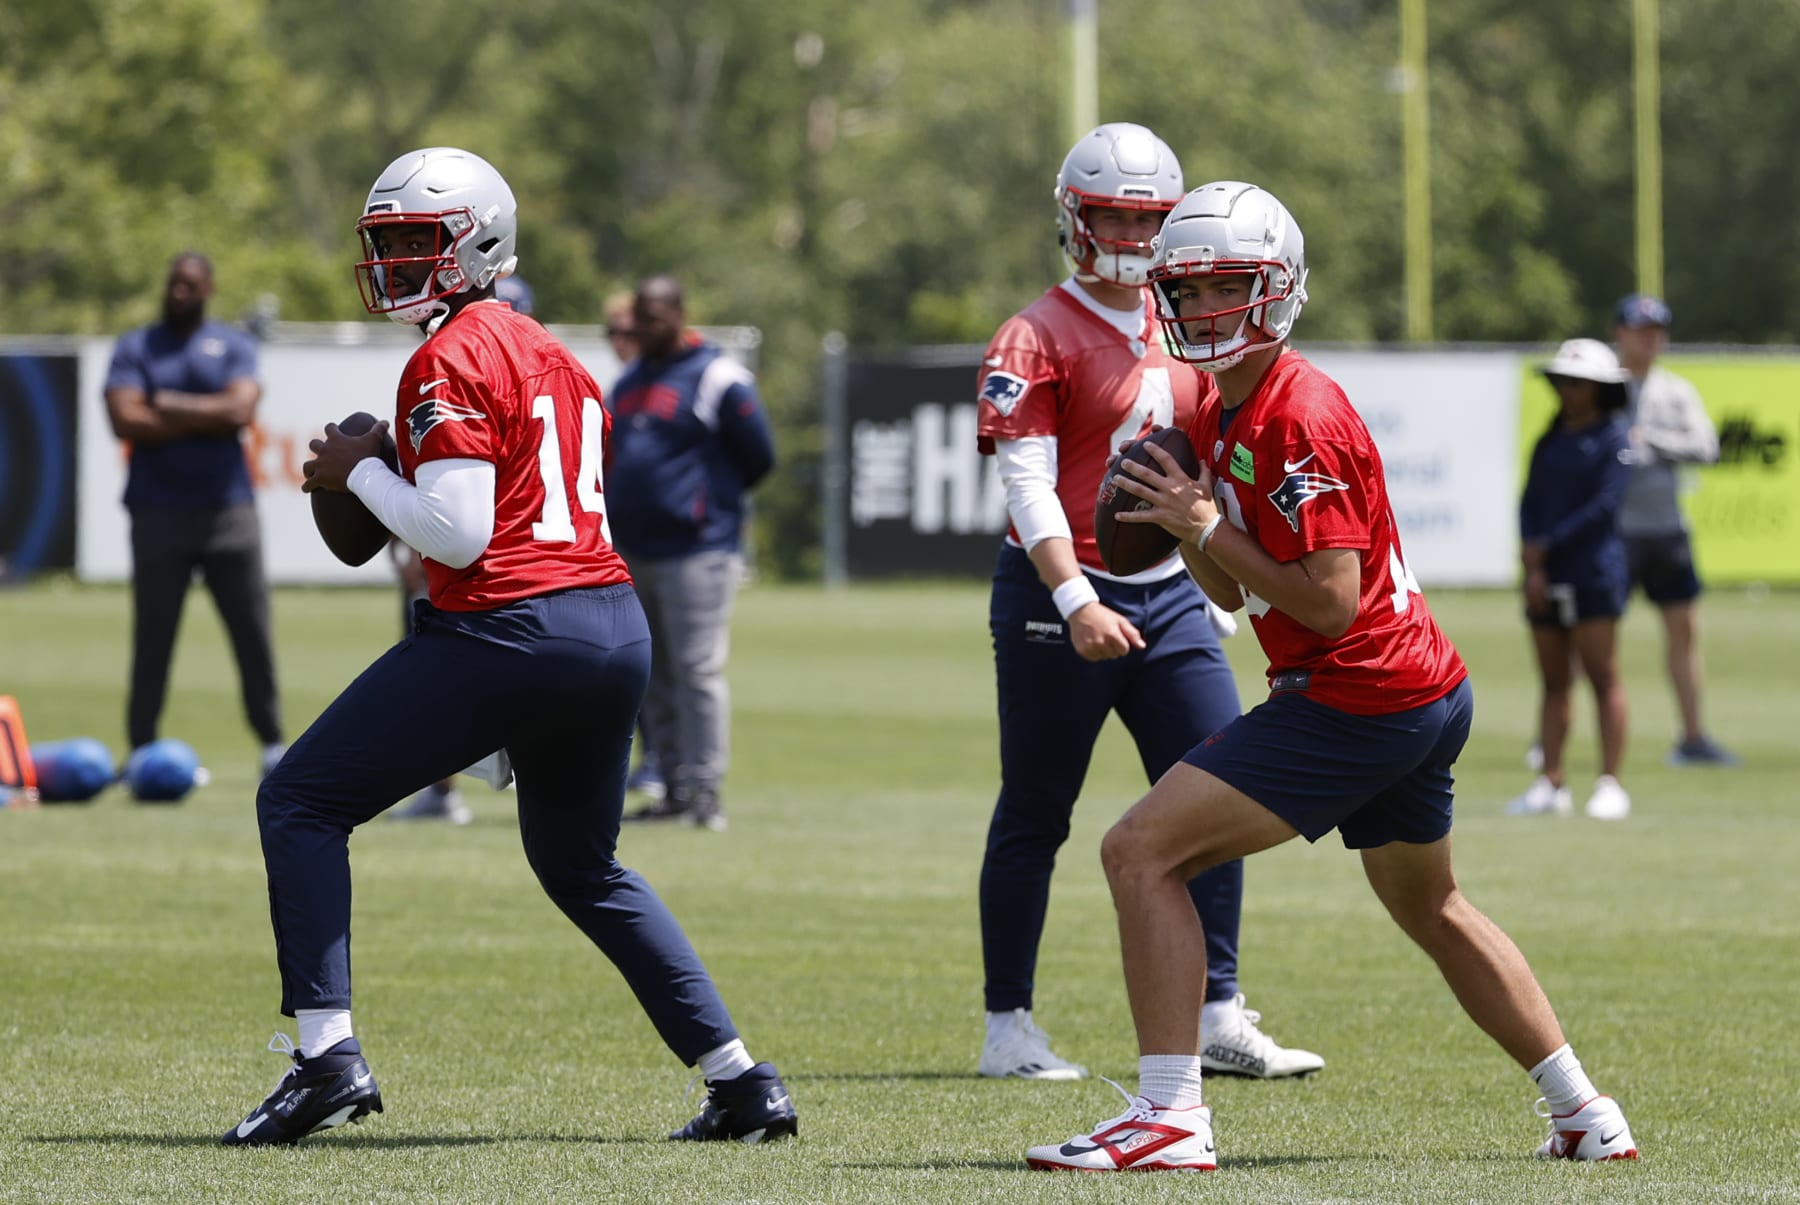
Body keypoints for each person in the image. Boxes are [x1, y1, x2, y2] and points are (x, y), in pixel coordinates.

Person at [1026, 181, 1638, 1171]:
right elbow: (1233, 579)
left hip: (1361, 688)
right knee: (1431, 903)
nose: (1205, 306)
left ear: (1277, 290)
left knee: (1140, 851)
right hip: (1411, 685)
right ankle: (1584, 1109)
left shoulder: (1298, 412)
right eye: (1189, 288)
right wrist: (1192, 529)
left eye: (1229, 284)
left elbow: (1327, 603)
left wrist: (1204, 522)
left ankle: (1169, 1116)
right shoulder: (1224, 406)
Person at [224, 146, 796, 1147]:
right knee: (585, 866)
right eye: (388, 243)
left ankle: (325, 1056)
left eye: (417, 242)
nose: (397, 262)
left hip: (513, 625)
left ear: (476, 244)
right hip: (611, 626)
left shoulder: (447, 355)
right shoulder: (561, 357)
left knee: (300, 798)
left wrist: (358, 470)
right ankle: (742, 1080)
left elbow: (457, 531)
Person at [972, 123, 1320, 1084]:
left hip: (1170, 595)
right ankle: (1008, 1024)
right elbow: (1028, 479)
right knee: (1037, 809)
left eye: (1147, 218)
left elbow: (1209, 468)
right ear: (1072, 221)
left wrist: (1209, 581)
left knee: (1215, 792)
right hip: (1060, 593)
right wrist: (1076, 594)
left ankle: (1219, 1009)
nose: (1129, 235)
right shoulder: (1035, 331)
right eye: (1112, 216)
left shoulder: (1187, 324)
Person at [103, 252, 286, 779]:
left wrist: (164, 405)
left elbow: (240, 412)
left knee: (252, 633)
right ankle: (141, 748)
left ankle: (272, 743)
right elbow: (123, 418)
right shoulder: (136, 345)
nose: (178, 292)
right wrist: (205, 416)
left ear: (208, 289)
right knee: (153, 636)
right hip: (157, 514)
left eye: (189, 285)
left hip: (230, 514)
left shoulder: (233, 344)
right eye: (173, 283)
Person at [611, 276, 775, 831]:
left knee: (697, 668)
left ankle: (705, 790)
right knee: (651, 672)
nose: (642, 327)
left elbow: (760, 456)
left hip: (698, 550)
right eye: (639, 316)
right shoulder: (631, 380)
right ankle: (672, 785)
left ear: (680, 314)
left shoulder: (718, 376)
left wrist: (706, 507)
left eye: (653, 316)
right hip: (635, 549)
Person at [1508, 340, 1634, 821]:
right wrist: (1533, 560)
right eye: (1562, 382)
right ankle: (1551, 781)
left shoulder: (1615, 440)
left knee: (1603, 677)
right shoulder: (1550, 438)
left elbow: (1604, 509)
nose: (1567, 391)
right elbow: (1530, 500)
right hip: (1546, 573)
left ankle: (1610, 783)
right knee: (1554, 681)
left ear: (1600, 390)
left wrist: (1548, 545)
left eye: (1577, 383)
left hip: (1593, 571)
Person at [1613, 293, 1736, 766]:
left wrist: (1653, 443)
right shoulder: (1604, 388)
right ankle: (1564, 736)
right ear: (1619, 332)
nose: (1650, 339)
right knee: (1594, 638)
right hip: (1617, 532)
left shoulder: (1676, 391)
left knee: (1684, 633)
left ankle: (1693, 737)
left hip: (1667, 531)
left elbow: (1706, 447)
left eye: (1657, 330)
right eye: (1640, 329)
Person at [601, 287, 667, 803]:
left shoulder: (686, 380)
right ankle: (650, 760)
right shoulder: (619, 389)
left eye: (631, 330)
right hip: (621, 541)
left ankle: (675, 768)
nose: (623, 340)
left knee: (682, 667)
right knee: (633, 658)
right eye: (614, 333)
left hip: (683, 545)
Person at [383, 540, 471, 824]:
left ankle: (442, 793)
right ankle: (440, 791)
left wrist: (408, 555)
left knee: (438, 689)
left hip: (447, 569)